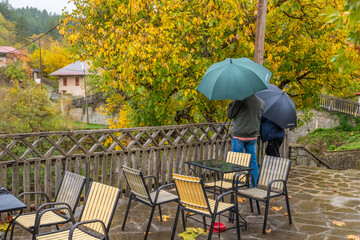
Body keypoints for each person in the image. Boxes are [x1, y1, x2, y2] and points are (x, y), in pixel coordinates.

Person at [227, 95, 264, 187]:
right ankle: (254, 184)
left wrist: (231, 103)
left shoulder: (239, 100)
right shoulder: (261, 102)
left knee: (237, 161)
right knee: (253, 161)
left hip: (239, 135)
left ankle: (237, 185)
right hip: (252, 136)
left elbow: (230, 115)